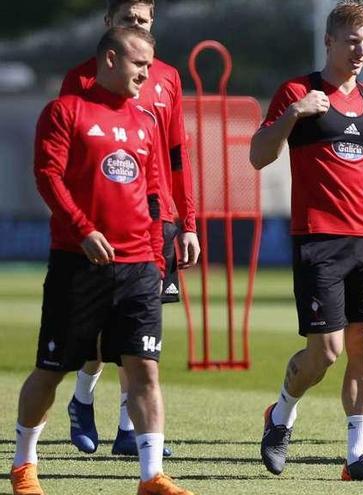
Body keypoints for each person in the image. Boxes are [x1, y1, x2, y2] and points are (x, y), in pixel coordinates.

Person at [10, 27, 193, 495]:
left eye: (151, 66)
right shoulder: (65, 111)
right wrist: (82, 229)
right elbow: (48, 176)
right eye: (139, 65)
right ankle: (23, 465)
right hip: (78, 263)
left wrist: (155, 260)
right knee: (52, 370)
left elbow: (154, 195)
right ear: (109, 60)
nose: (146, 74)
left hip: (137, 268)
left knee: (145, 369)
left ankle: (151, 476)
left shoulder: (144, 121)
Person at [249, 0, 363, 483]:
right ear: (330, 41)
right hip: (319, 240)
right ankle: (280, 417)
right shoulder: (298, 91)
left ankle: (356, 457)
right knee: (326, 352)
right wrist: (291, 116)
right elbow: (258, 156)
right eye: (352, 41)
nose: (360, 51)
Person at [60, 0, 199, 458]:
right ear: (109, 25)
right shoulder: (80, 79)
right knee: (100, 333)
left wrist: (188, 222)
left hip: (156, 220)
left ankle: (127, 430)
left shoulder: (169, 78)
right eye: (129, 18)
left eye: (144, 18)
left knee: (142, 330)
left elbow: (176, 153)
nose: (137, 25)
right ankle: (82, 397)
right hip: (103, 224)